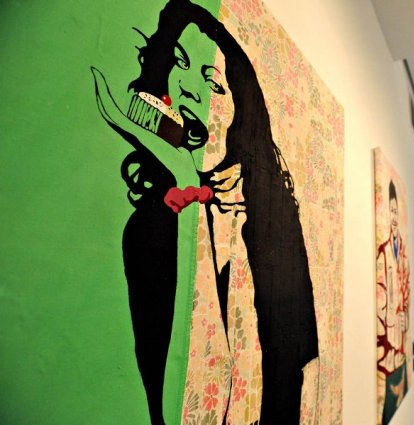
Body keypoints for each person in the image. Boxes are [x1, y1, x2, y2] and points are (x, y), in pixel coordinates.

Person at [91, 1, 319, 423]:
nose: (188, 92)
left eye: (213, 83)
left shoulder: (277, 223)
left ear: (242, 110)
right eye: (178, 65)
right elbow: (159, 390)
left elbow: (304, 361)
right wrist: (180, 174)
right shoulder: (149, 227)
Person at [376, 179, 410, 425]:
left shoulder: (404, 255)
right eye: (391, 211)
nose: (395, 217)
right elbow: (379, 297)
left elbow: (406, 289)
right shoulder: (383, 253)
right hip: (388, 337)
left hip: (401, 336)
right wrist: (388, 319)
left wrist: (404, 314)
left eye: (397, 211)